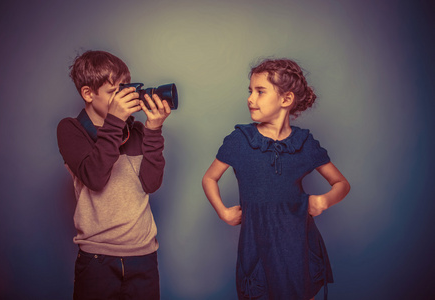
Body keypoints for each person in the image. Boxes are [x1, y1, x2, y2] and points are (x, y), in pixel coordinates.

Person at [202, 58, 350, 300]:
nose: (251, 98)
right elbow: (209, 178)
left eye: (260, 92)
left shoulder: (304, 144)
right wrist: (223, 212)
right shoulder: (240, 140)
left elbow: (342, 184)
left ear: (286, 99)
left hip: (299, 250)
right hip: (257, 249)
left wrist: (324, 201)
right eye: (250, 91)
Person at [57, 50, 171, 300]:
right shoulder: (71, 129)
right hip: (97, 259)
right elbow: (94, 178)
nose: (123, 100)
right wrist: (115, 122)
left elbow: (151, 184)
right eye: (113, 93)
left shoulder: (138, 131)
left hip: (143, 255)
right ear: (88, 93)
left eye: (125, 90)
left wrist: (154, 130)